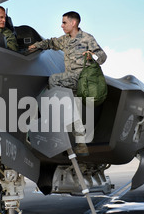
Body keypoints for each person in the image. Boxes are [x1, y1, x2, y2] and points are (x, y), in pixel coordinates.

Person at [29, 11, 107, 156]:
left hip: (83, 78)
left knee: (53, 80)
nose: (62, 25)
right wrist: (35, 46)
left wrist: (92, 56)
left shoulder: (87, 38)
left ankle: (52, 119)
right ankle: (81, 144)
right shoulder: (65, 40)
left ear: (74, 23)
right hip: (72, 81)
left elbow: (103, 56)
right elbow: (50, 42)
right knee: (74, 112)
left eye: (64, 22)